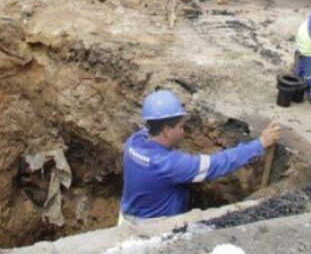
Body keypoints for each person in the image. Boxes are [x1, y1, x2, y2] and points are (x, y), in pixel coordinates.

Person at [120, 90, 281, 222]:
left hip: (127, 216)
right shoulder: (170, 164)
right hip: (152, 228)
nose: (184, 131)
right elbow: (217, 164)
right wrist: (260, 143)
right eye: (181, 127)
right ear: (167, 131)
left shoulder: (134, 141)